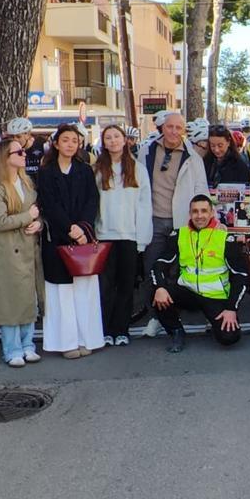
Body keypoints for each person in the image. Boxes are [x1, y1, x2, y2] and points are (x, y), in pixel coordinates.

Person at [37, 124, 103, 358]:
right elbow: (49, 205)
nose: (70, 144)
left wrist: (82, 228)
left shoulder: (85, 171)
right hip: (57, 239)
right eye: (65, 140)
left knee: (84, 292)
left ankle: (88, 339)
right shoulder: (45, 172)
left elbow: (92, 200)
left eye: (74, 141)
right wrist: (69, 229)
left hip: (83, 238)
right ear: (56, 143)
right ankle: (66, 343)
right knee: (62, 294)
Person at [151, 194, 247, 352]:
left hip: (215, 297)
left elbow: (241, 275)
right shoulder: (179, 235)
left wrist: (231, 309)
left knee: (229, 338)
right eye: (195, 211)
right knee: (157, 293)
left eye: (204, 211)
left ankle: (215, 323)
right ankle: (176, 331)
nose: (199, 215)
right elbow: (160, 263)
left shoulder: (224, 238)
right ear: (190, 214)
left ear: (211, 213)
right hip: (188, 292)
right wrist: (160, 287)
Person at [0, 139, 44, 367]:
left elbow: (37, 213)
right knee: (10, 299)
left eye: (24, 150)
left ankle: (28, 345)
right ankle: (12, 349)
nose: (24, 154)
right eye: (18, 152)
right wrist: (29, 217)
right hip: (8, 249)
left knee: (29, 297)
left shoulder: (27, 182)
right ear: (5, 157)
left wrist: (38, 224)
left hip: (29, 245)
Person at [142, 113, 209, 319]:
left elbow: (201, 190)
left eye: (178, 128)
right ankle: (155, 315)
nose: (173, 131)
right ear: (163, 128)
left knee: (177, 271)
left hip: (180, 221)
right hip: (153, 219)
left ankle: (173, 316)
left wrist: (202, 220)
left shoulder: (193, 157)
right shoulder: (147, 151)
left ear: (183, 131)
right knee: (151, 268)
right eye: (169, 126)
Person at [95, 124, 152, 346]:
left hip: (129, 236)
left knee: (126, 286)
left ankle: (121, 330)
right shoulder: (98, 170)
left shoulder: (138, 169)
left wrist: (141, 239)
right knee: (105, 286)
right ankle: (106, 330)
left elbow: (144, 206)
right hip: (104, 235)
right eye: (108, 137)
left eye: (116, 136)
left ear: (124, 139)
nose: (113, 141)